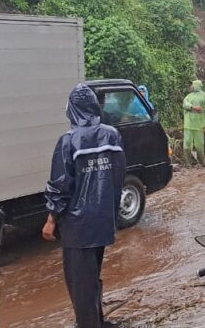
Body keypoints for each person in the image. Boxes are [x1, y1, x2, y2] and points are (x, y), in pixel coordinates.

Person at [42, 84, 127, 328]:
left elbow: (60, 184)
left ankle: (90, 324)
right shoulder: (112, 135)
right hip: (103, 220)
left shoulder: (69, 141)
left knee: (80, 283)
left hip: (78, 226)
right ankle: (97, 321)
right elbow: (119, 174)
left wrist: (51, 220)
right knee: (92, 276)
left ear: (73, 110)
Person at [182, 80, 205, 167]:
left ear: (197, 85)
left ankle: (202, 162)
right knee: (187, 145)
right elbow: (185, 104)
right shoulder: (188, 96)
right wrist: (193, 107)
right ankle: (188, 163)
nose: (191, 87)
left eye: (192, 85)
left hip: (199, 125)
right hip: (188, 124)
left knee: (199, 145)